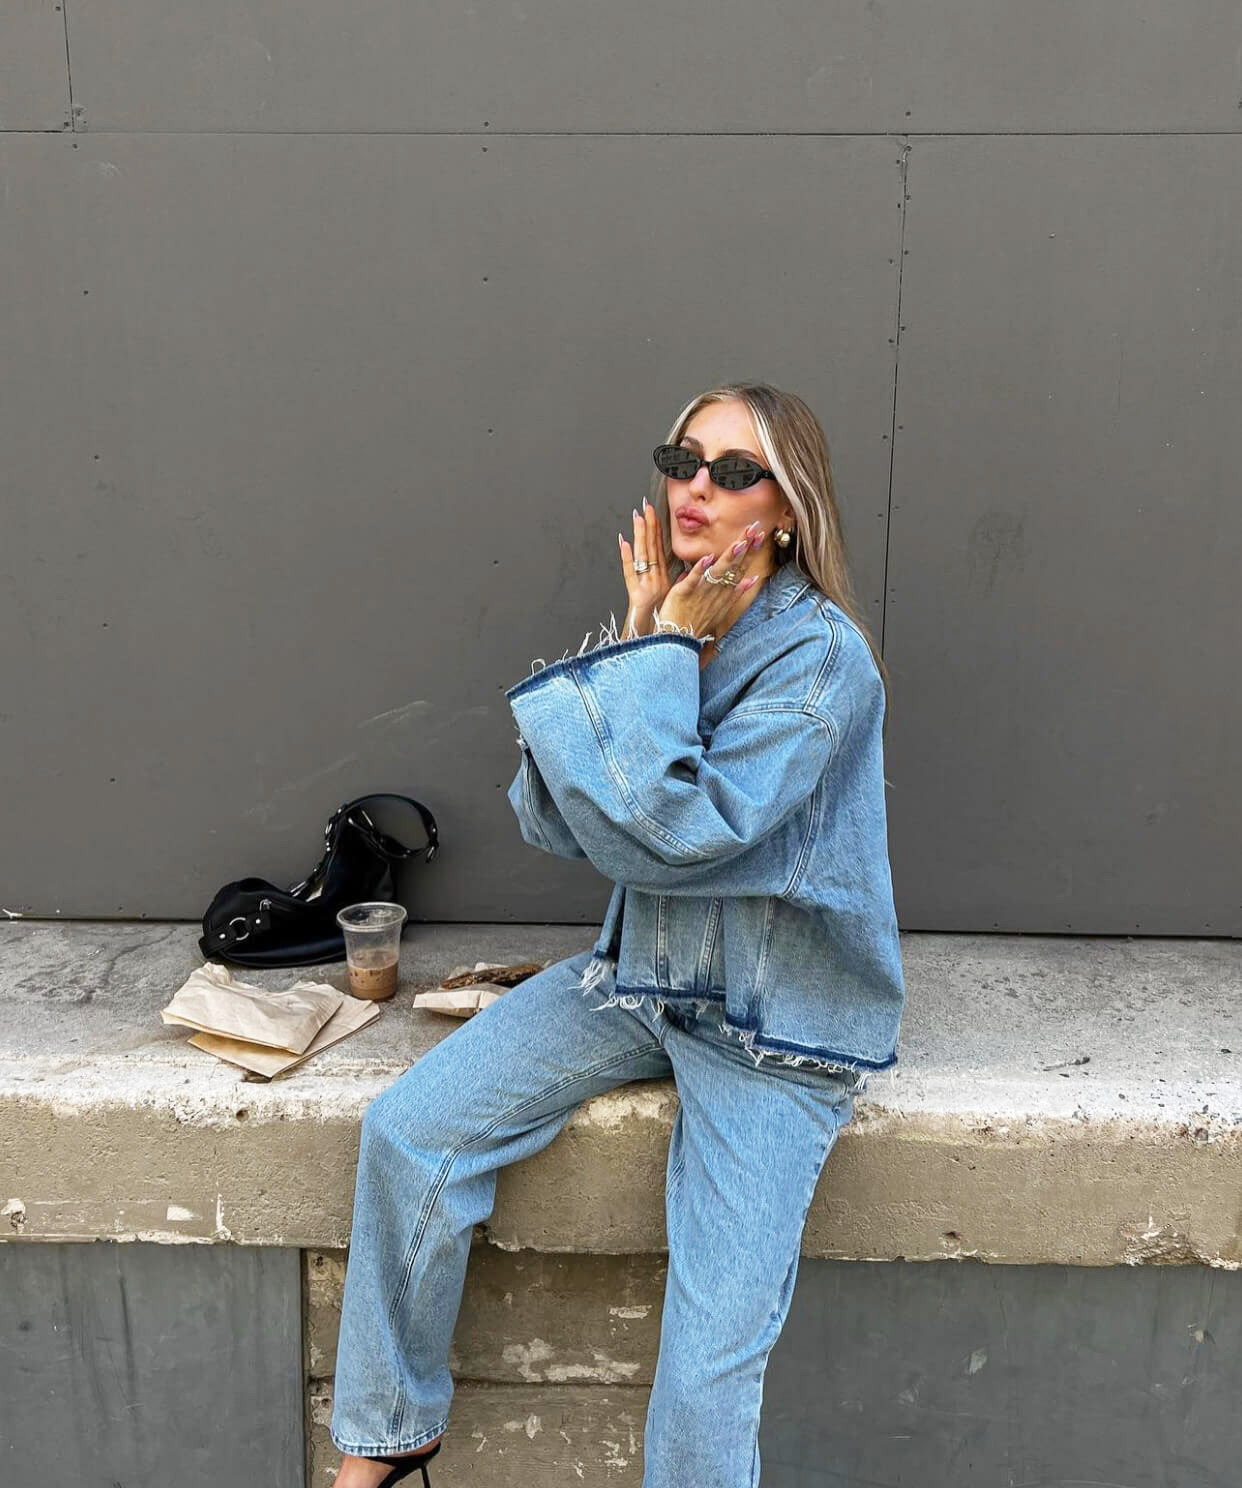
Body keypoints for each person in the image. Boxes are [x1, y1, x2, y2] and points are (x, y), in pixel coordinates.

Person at [329, 381, 906, 1487]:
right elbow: (553, 818)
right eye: (683, 460)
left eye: (734, 471)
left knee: (706, 1364)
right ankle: (386, 1446)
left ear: (788, 509)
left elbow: (675, 834)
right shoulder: (676, 624)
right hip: (644, 977)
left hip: (774, 1027)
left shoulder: (821, 663)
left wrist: (656, 652)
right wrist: (648, 640)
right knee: (411, 1133)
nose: (696, 487)